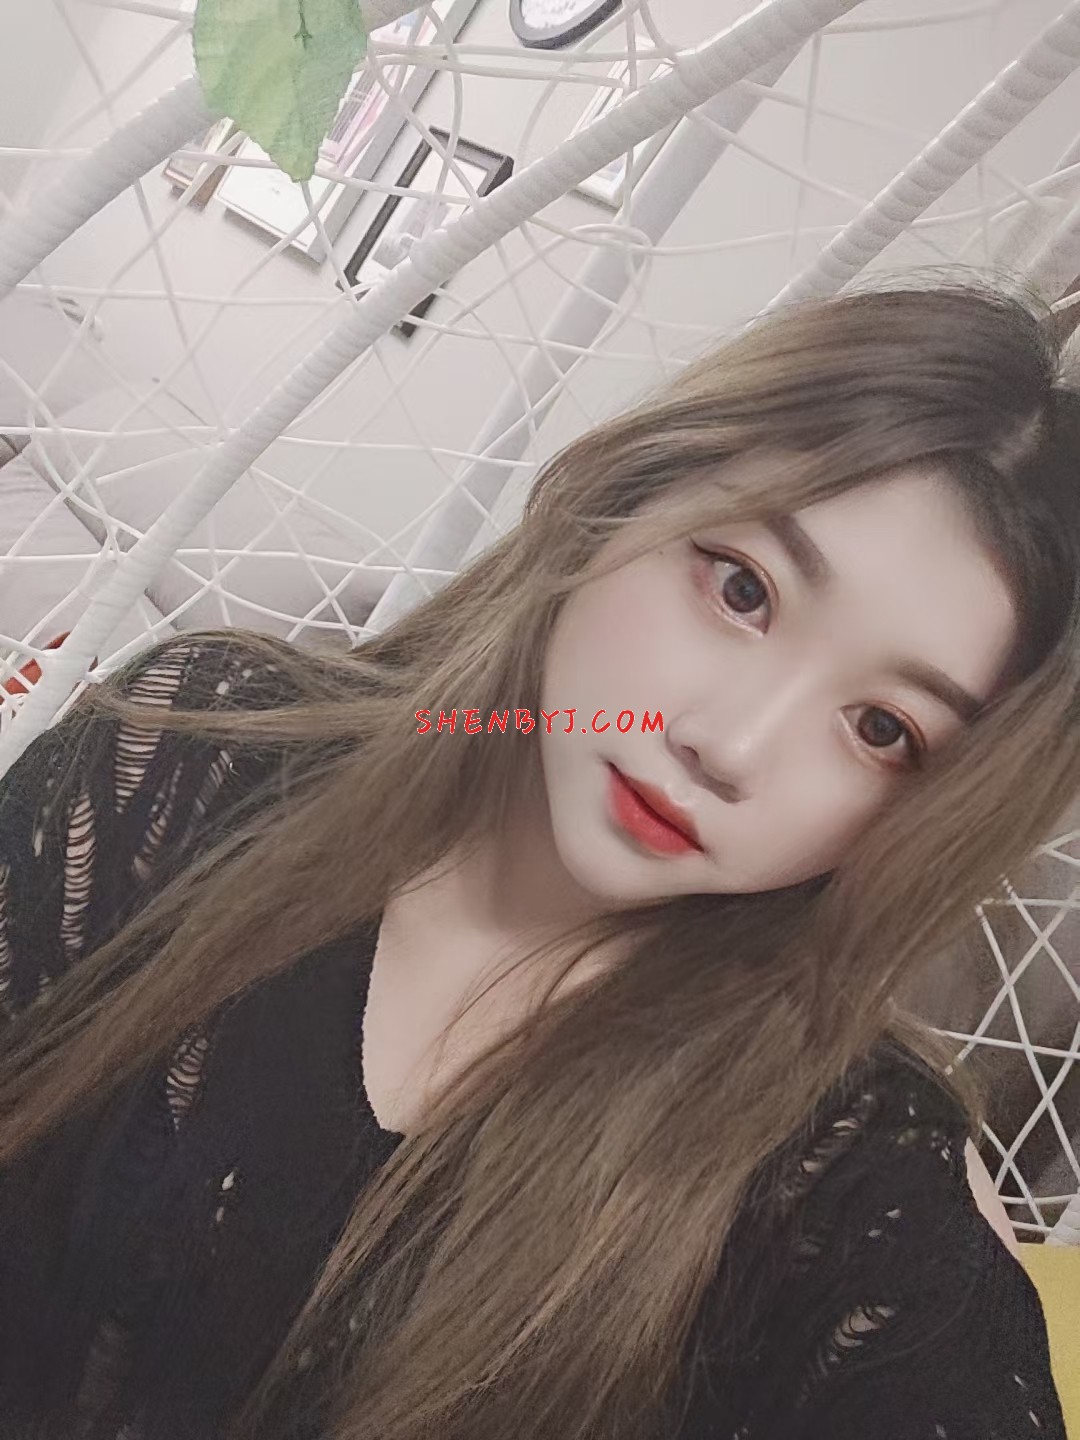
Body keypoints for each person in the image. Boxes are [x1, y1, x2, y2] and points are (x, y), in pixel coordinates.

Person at [0, 280, 1076, 1440]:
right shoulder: (192, 750)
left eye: (881, 730)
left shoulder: (843, 1177)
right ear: (629, 494)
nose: (726, 746)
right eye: (743, 589)